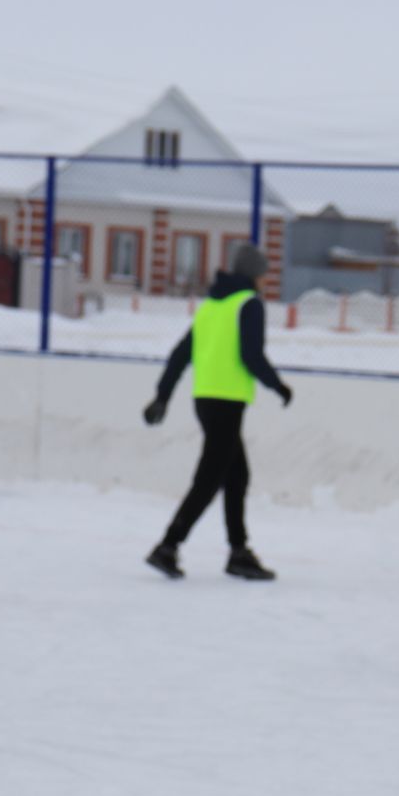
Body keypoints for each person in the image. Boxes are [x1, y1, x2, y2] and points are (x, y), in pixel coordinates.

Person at [142, 242, 290, 582]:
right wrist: (278, 386)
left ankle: (238, 552)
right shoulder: (248, 305)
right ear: (254, 274)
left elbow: (181, 353)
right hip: (227, 401)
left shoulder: (211, 306)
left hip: (205, 400)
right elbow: (251, 355)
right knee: (209, 480)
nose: (266, 280)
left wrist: (162, 395)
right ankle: (168, 546)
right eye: (264, 273)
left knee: (236, 476)